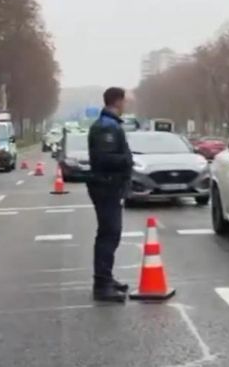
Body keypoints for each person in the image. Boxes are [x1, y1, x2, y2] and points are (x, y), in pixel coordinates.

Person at [86, 87, 134, 302]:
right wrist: (127, 160)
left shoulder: (110, 124)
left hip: (110, 186)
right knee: (109, 234)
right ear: (117, 101)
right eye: (124, 101)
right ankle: (102, 284)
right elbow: (103, 159)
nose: (125, 105)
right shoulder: (106, 127)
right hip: (106, 186)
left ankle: (106, 278)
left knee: (110, 233)